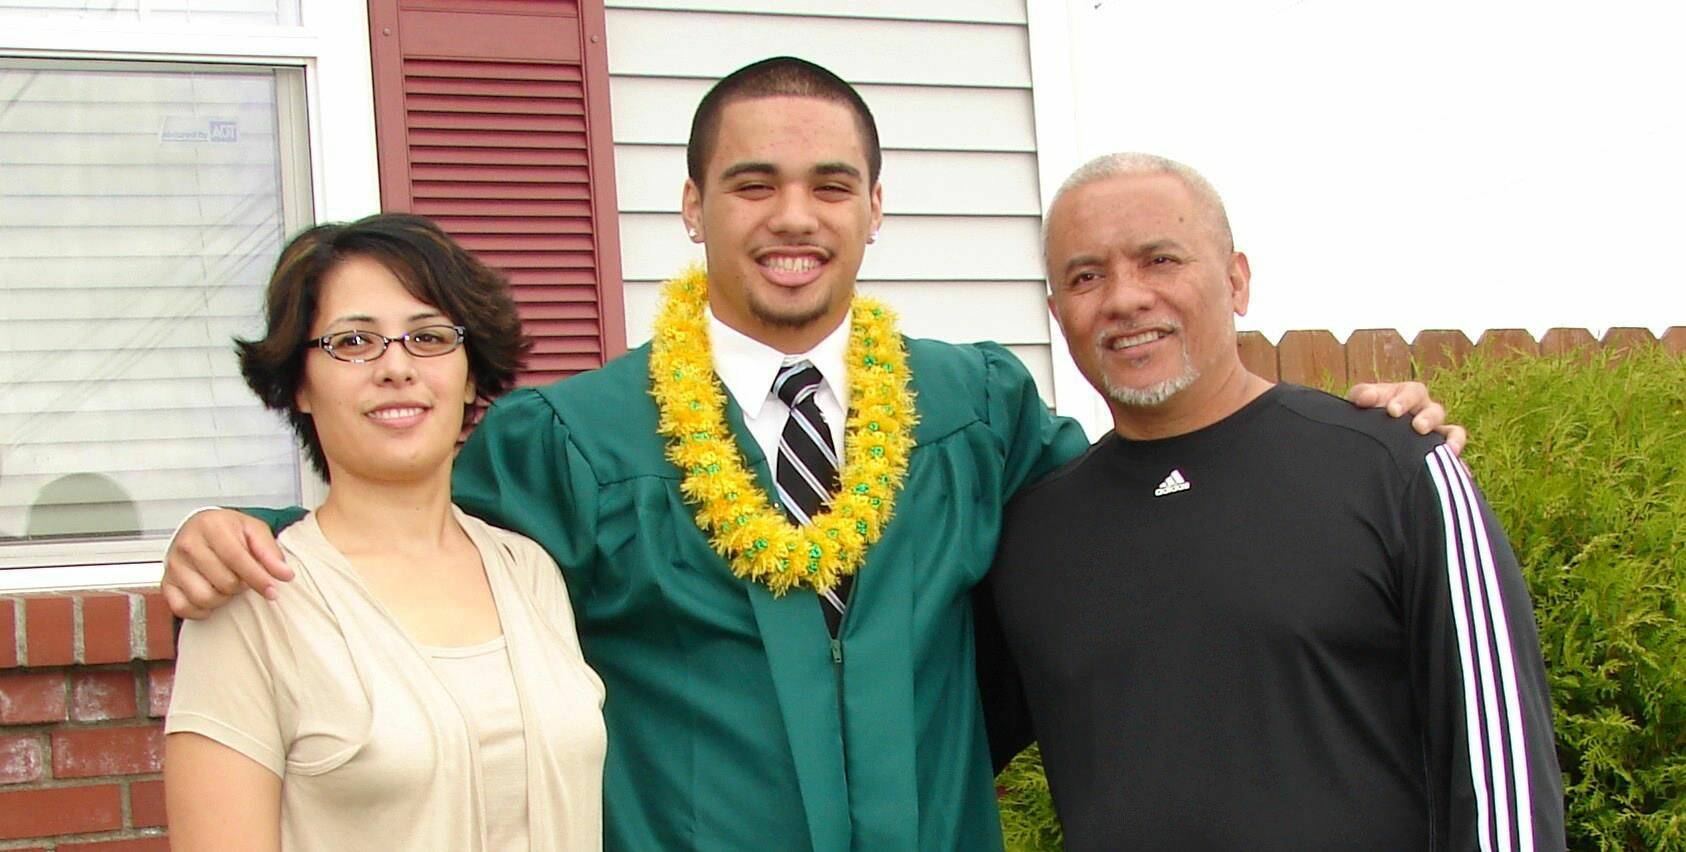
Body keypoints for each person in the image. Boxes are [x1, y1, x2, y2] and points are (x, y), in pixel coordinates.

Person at [162, 59, 1459, 851]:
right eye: (752, 183)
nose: (795, 216)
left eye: (832, 184)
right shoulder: (583, 440)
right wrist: (240, 530)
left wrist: (1337, 437)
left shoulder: (976, 409)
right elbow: (400, 525)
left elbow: (1150, 502)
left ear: (875, 208)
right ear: (692, 206)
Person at [984, 153, 1564, 850]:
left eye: (1161, 260)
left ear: (1237, 281)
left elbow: (1504, 782)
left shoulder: (1394, 471)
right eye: (1086, 276)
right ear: (1057, 312)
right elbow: (933, 745)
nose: (1125, 297)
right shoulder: (1033, 537)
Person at [163, 214, 606, 851]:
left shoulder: (528, 572)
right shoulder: (252, 600)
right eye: (352, 343)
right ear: (300, 384)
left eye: (428, 338)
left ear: (470, 372)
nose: (397, 368)